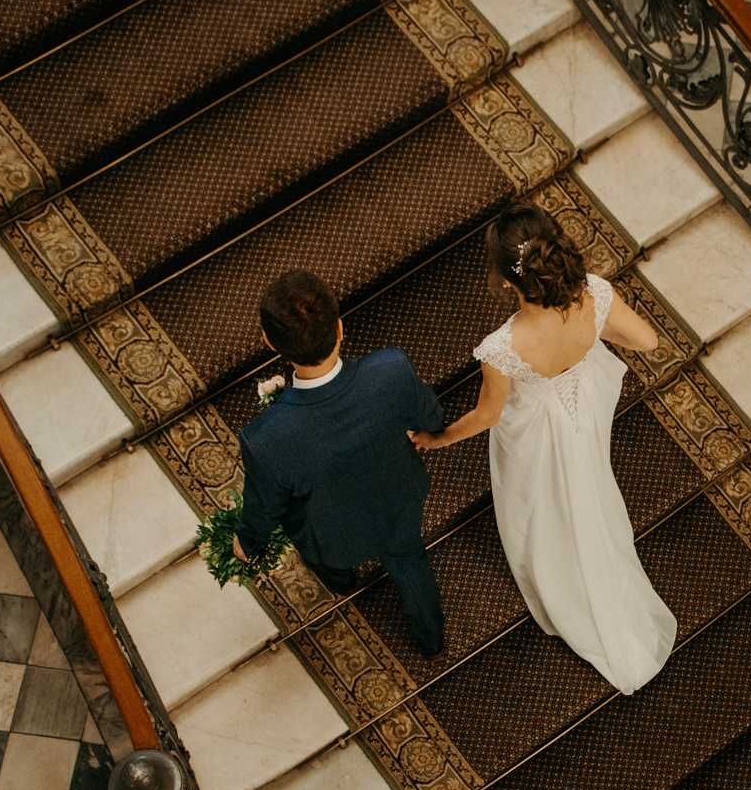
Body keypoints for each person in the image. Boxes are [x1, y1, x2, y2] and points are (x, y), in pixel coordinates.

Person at [408, 204, 674, 694]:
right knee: (587, 470)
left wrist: (437, 437)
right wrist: (591, 332)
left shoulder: (502, 346)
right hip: (586, 402)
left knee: (539, 495)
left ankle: (555, 564)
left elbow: (488, 416)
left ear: (507, 280)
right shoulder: (593, 291)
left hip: (538, 428)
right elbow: (647, 340)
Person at [233, 269, 446, 655]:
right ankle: (431, 638)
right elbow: (431, 418)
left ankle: (344, 582)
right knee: (411, 563)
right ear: (340, 327)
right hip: (398, 504)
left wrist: (249, 541)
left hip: (328, 535)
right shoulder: (392, 369)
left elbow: (265, 505)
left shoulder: (264, 438)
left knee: (328, 563)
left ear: (269, 342)